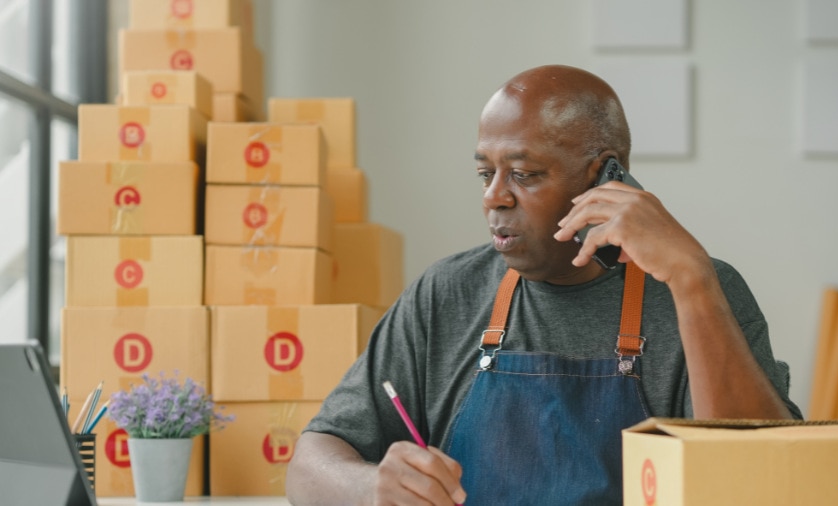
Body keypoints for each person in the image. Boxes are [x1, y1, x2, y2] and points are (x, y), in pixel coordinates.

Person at [286, 64, 802, 505]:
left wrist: (693, 281)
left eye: (524, 174)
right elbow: (309, 464)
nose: (494, 197)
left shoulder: (699, 291)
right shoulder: (445, 294)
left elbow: (761, 482)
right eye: (485, 173)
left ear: (605, 179)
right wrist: (372, 485)